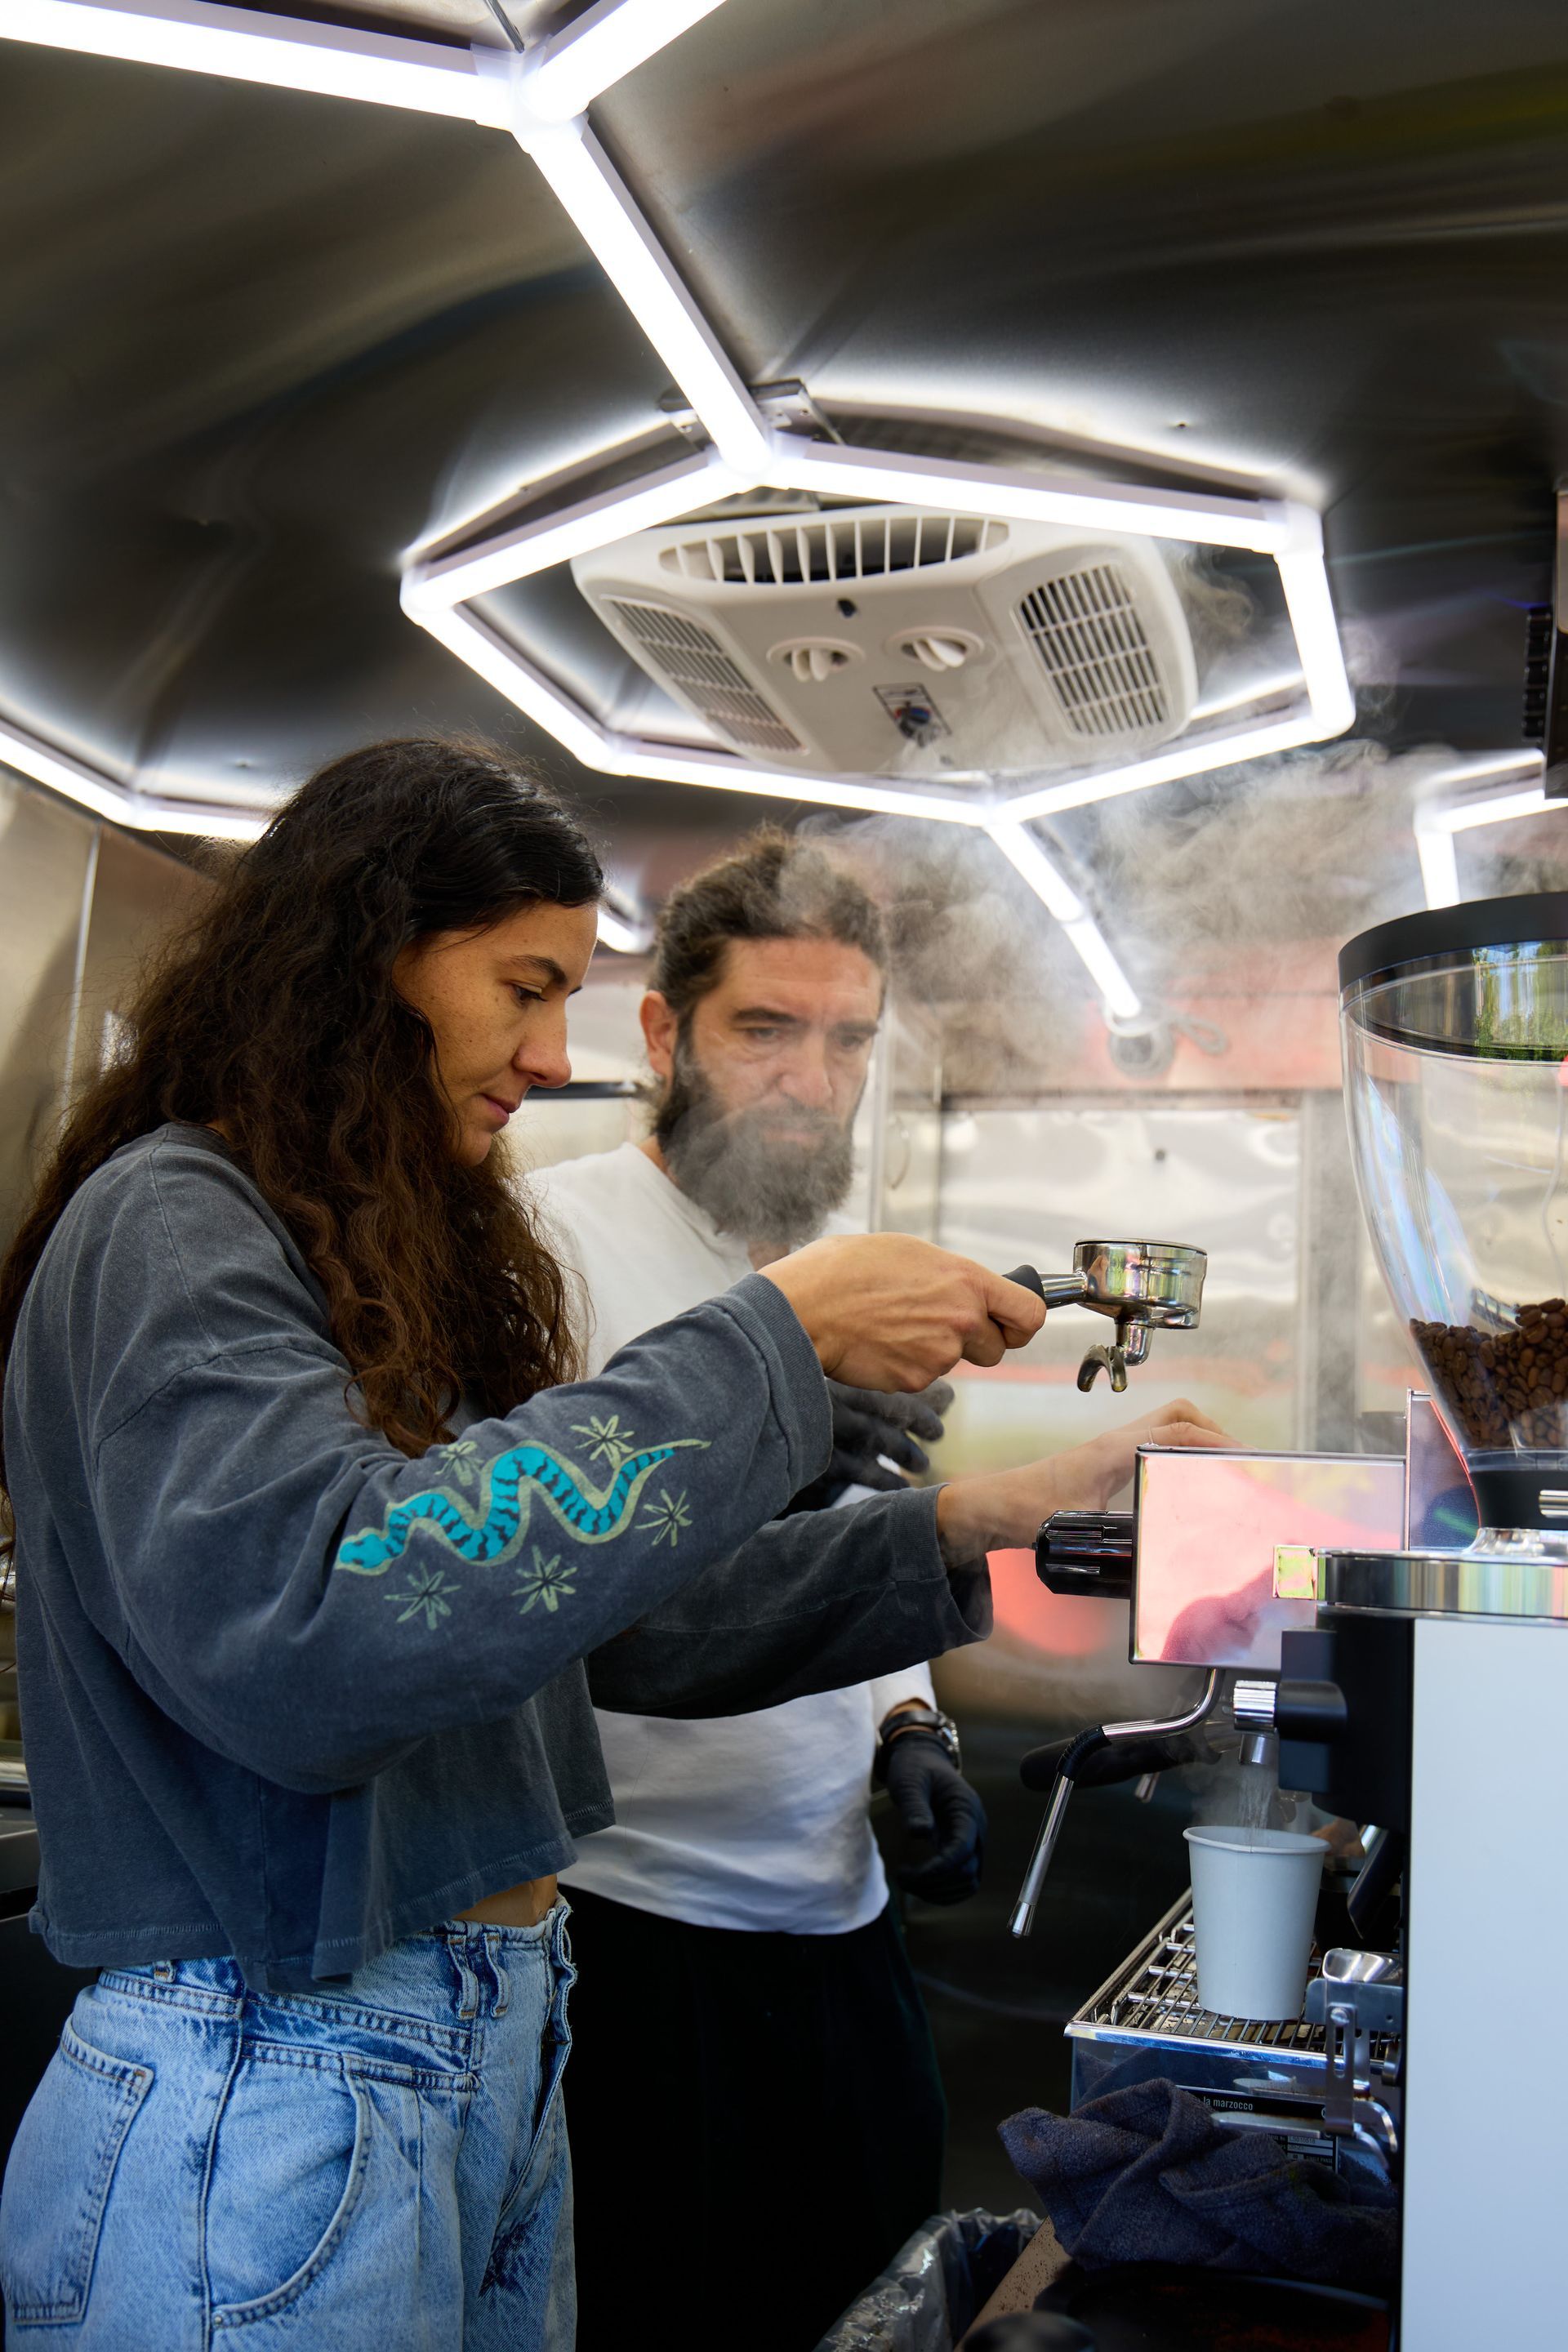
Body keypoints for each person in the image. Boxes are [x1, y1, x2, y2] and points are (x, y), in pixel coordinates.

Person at [0, 739, 1222, 2352]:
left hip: (487, 2046)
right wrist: (773, 1342)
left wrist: (976, 1520)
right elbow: (325, 1632)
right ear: (364, 957)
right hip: (277, 2075)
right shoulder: (178, 1222)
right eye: (520, 986)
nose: (544, 1050)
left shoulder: (374, 1251)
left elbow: (615, 1624)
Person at [531, 835, 994, 2351]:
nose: (812, 1076)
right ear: (663, 1033)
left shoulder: (845, 1267)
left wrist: (911, 1724)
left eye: (847, 1037)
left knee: (877, 2312)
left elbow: (861, 1544)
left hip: (839, 1918)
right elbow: (518, 1584)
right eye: (763, 1030)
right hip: (632, 1932)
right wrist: (752, 1459)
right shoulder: (545, 1248)